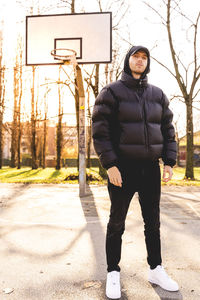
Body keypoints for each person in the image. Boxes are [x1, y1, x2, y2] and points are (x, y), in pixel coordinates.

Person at [92, 45, 179, 299]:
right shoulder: (111, 92)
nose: (140, 61)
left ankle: (155, 268)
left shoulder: (158, 94)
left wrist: (169, 162)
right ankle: (113, 272)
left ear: (147, 63)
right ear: (127, 60)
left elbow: (168, 131)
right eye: (135, 56)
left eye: (144, 58)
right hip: (123, 169)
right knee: (116, 222)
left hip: (151, 169)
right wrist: (110, 165)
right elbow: (100, 130)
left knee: (153, 222)